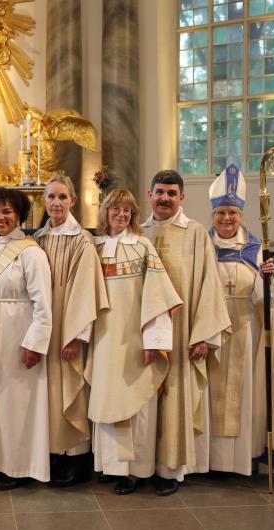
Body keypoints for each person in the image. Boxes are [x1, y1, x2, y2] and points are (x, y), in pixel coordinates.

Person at [85, 188, 182, 495]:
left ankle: (136, 471)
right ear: (106, 212)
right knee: (106, 399)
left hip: (133, 339)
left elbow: (157, 296)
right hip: (102, 339)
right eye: (116, 209)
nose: (121, 215)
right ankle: (110, 465)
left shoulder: (142, 246)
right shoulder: (94, 247)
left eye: (127, 210)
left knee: (135, 403)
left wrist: (154, 340)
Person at [141, 170, 230, 496]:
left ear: (182, 198)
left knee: (175, 397)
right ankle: (140, 466)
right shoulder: (138, 231)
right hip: (144, 334)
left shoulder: (195, 233)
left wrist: (205, 335)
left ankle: (169, 470)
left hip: (182, 333)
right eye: (159, 192)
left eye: (171, 193)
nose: (165, 198)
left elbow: (209, 283)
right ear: (149, 194)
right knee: (143, 398)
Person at [207, 164, 274, 480]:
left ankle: (239, 461)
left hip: (244, 333)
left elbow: (266, 302)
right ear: (213, 216)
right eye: (221, 214)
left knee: (241, 401)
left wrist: (266, 280)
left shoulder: (256, 250)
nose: (227, 219)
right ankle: (209, 461)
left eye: (232, 213)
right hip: (210, 336)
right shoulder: (203, 247)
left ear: (241, 215)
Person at [0, 187, 52, 490]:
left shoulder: (31, 253)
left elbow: (43, 304)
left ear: (19, 214)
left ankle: (18, 467)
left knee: (17, 402)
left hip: (19, 333)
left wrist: (34, 344)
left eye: (7, 211)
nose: (0, 217)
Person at [34, 175, 108, 486]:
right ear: (44, 202)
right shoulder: (37, 238)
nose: (56, 203)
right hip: (45, 331)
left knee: (71, 388)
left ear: (73, 201)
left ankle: (77, 459)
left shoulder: (83, 241)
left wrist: (77, 336)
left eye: (62, 197)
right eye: (51, 197)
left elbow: (84, 292)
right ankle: (54, 454)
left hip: (69, 331)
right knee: (49, 392)